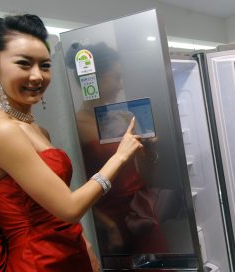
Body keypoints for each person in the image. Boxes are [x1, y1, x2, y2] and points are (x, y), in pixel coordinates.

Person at [0, 14, 143, 271]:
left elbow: (55, 203)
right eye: (24, 64)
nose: (37, 76)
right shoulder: (0, 132)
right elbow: (69, 208)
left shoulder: (37, 129)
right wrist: (119, 157)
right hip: (37, 261)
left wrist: (83, 242)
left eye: (44, 65)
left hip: (67, 250)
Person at [65, 42, 171, 255]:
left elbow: (147, 176)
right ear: (95, 79)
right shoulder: (77, 125)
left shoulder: (125, 118)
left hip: (141, 210)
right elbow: (74, 187)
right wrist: (108, 225)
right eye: (116, 77)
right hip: (110, 217)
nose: (121, 85)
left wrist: (149, 152)